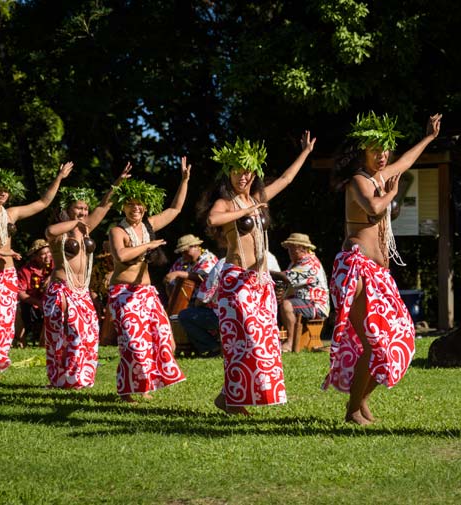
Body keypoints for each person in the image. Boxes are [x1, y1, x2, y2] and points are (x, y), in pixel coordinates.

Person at [324, 112, 441, 425]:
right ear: (363, 151)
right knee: (373, 342)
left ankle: (360, 402)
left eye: (385, 150)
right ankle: (353, 410)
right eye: (375, 149)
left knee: (398, 337)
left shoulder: (380, 176)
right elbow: (375, 207)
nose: (382, 155)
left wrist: (428, 138)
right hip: (357, 269)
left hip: (379, 273)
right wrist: (392, 191)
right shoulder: (359, 180)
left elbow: (405, 161)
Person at [201, 132, 315, 415]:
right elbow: (213, 219)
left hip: (260, 281)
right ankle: (233, 398)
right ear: (229, 173)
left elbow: (286, 180)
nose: (243, 177)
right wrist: (248, 209)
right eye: (238, 171)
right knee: (245, 340)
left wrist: (305, 153)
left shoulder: (256, 197)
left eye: (248, 172)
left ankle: (230, 398)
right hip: (235, 280)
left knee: (263, 343)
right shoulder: (225, 203)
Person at [0, 163, 73, 379]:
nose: (2, 193)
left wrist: (59, 177)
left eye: (6, 189)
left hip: (7, 277)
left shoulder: (11, 213)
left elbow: (43, 202)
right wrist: (1, 253)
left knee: (5, 324)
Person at [107, 158, 190, 402]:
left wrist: (184, 181)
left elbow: (174, 210)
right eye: (131, 204)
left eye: (140, 205)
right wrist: (149, 245)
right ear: (123, 207)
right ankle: (127, 390)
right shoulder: (117, 231)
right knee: (133, 342)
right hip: (123, 292)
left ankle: (146, 382)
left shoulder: (148, 226)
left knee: (164, 338)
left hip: (146, 293)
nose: (136, 208)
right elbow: (121, 256)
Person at [42, 164, 131, 389]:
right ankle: (61, 379)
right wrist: (75, 223)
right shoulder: (60, 231)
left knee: (89, 333)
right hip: (62, 289)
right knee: (65, 336)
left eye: (84, 208)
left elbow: (104, 205)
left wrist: (118, 183)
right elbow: (49, 232)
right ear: (68, 209)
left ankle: (79, 378)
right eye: (78, 208)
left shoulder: (86, 229)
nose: (83, 212)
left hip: (82, 291)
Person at [277, 233, 329, 352]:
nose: (289, 251)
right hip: (304, 302)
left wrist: (266, 272)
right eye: (288, 248)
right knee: (278, 303)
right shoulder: (296, 262)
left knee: (286, 304)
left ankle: (290, 342)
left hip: (316, 305)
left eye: (291, 248)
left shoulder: (310, 263)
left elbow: (288, 278)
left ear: (302, 248)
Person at [15, 239, 54, 348]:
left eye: (49, 252)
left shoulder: (55, 265)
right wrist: (39, 303)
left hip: (52, 302)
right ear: (35, 257)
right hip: (32, 305)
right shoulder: (25, 271)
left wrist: (52, 276)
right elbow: (20, 293)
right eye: (43, 254)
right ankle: (21, 341)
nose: (47, 256)